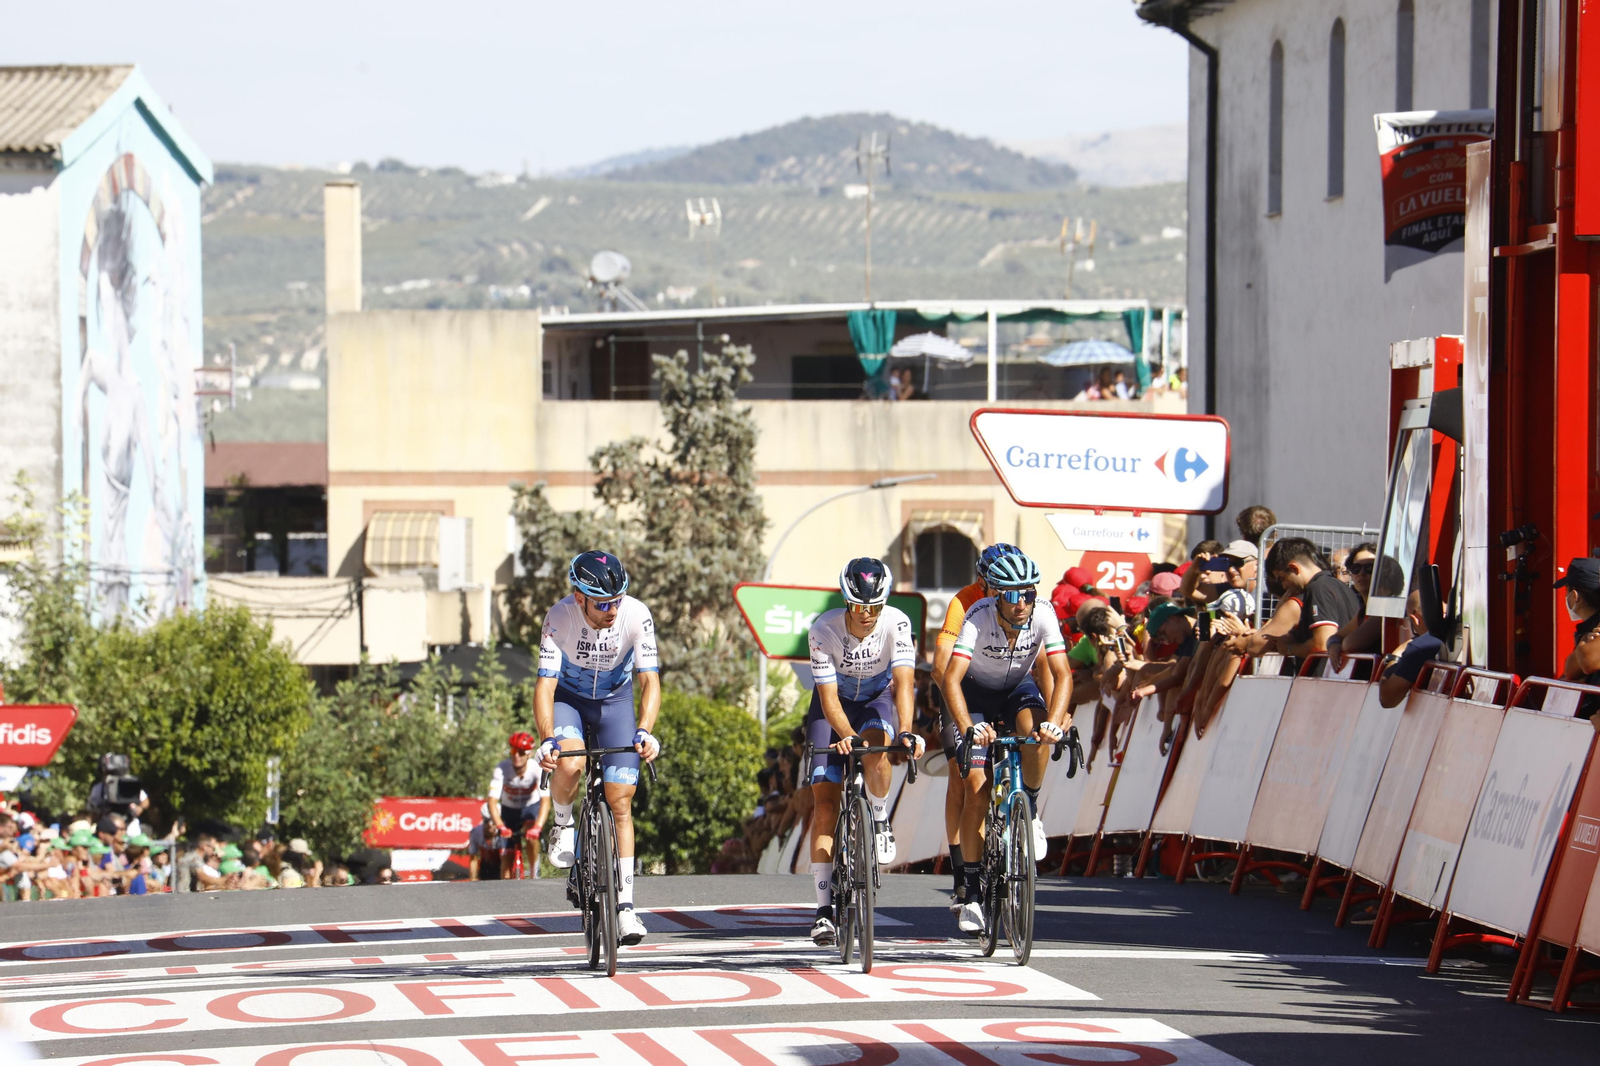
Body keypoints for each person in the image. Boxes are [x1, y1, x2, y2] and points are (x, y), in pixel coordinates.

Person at [940, 549, 1073, 935]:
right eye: (1013, 595)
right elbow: (950, 678)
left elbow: (1062, 674)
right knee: (977, 790)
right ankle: (973, 895)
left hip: (1017, 688)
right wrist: (967, 726)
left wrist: (1055, 722)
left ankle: (1029, 808)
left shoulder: (1044, 613)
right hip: (973, 694)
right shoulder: (976, 616)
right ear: (996, 594)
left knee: (1036, 736)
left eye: (1029, 593)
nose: (1023, 603)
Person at [535, 550, 661, 947]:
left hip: (615, 702)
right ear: (579, 597)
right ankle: (562, 822)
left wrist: (645, 730)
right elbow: (545, 686)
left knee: (620, 801)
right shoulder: (559, 618)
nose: (611, 610)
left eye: (617, 599)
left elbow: (650, 681)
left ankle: (625, 908)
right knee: (570, 765)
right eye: (602, 603)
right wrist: (547, 738)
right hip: (570, 700)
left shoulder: (636, 615)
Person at [804, 557, 921, 946]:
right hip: (833, 707)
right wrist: (845, 735)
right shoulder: (823, 629)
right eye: (858, 606)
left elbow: (904, 682)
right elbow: (828, 697)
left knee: (876, 751)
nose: (867, 614)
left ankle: (880, 816)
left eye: (875, 606)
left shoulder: (897, 622)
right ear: (846, 600)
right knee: (824, 804)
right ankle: (823, 911)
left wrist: (905, 730)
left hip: (877, 698)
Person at [932, 543, 1038, 913]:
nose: (1009, 596)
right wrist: (966, 722)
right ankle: (962, 870)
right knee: (966, 778)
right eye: (995, 586)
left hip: (1006, 687)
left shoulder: (1022, 599)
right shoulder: (966, 602)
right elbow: (942, 667)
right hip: (961, 689)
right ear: (983, 581)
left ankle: (1022, 818)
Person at [489, 732, 551, 879]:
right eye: (513, 751)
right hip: (509, 811)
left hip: (530, 808)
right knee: (506, 862)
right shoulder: (502, 769)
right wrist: (500, 826)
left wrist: (538, 827)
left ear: (528, 754)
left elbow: (546, 801)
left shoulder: (536, 768)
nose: (516, 756)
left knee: (531, 835)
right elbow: (492, 801)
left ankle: (534, 871)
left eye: (521, 752)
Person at [1557, 557, 1600, 718]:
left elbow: (1589, 661)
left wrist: (1583, 647)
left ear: (1574, 595)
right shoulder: (1587, 628)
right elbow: (1571, 670)